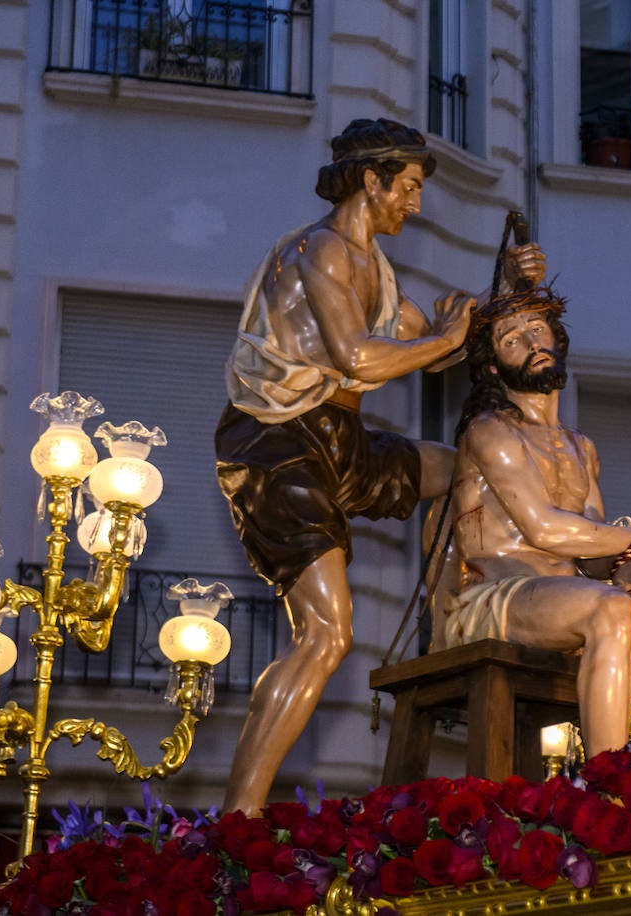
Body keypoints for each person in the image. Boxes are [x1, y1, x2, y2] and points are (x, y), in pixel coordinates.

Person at [215, 118, 545, 814]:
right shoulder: (323, 251)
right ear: (372, 181)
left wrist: (507, 292)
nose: (417, 204)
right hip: (278, 443)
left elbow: (445, 340)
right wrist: (449, 337)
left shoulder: (376, 269)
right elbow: (359, 357)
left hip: (340, 437)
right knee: (328, 634)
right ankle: (237, 820)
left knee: (469, 470)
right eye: (411, 187)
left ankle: (460, 612)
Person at [437, 286, 631, 756]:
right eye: (511, 340)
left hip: (564, 598)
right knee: (609, 609)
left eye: (536, 329)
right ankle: (609, 783)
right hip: (492, 601)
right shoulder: (490, 432)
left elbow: (587, 558)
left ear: (556, 338)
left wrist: (623, 566)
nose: (530, 343)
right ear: (492, 367)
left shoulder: (580, 447)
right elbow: (543, 529)